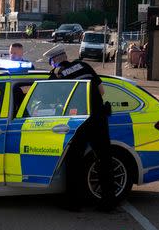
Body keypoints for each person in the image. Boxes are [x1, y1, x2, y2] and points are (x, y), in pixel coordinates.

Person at [42, 44, 115, 210]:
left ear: (54, 61)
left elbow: (49, 99)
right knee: (104, 159)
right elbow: (102, 91)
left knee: (75, 160)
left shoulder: (57, 74)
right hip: (97, 118)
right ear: (65, 56)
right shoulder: (84, 65)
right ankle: (108, 203)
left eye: (51, 63)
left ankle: (74, 202)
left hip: (77, 121)